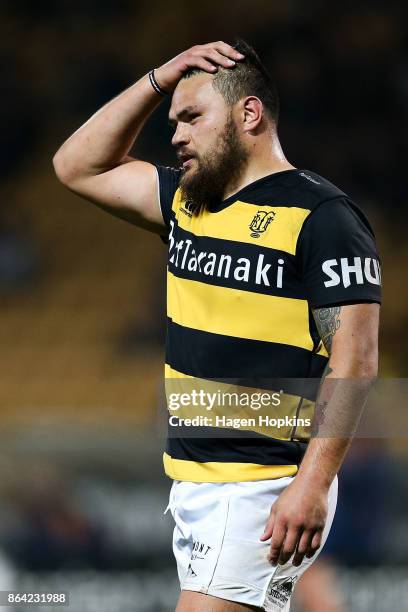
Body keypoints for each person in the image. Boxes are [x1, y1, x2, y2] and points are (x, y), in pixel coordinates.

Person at [53, 40, 381, 611]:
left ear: (248, 114)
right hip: (198, 482)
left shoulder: (323, 217)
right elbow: (76, 165)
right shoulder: (187, 204)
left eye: (191, 117)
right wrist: (160, 78)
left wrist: (311, 483)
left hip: (257, 485)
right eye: (174, 119)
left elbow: (355, 360)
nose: (175, 133)